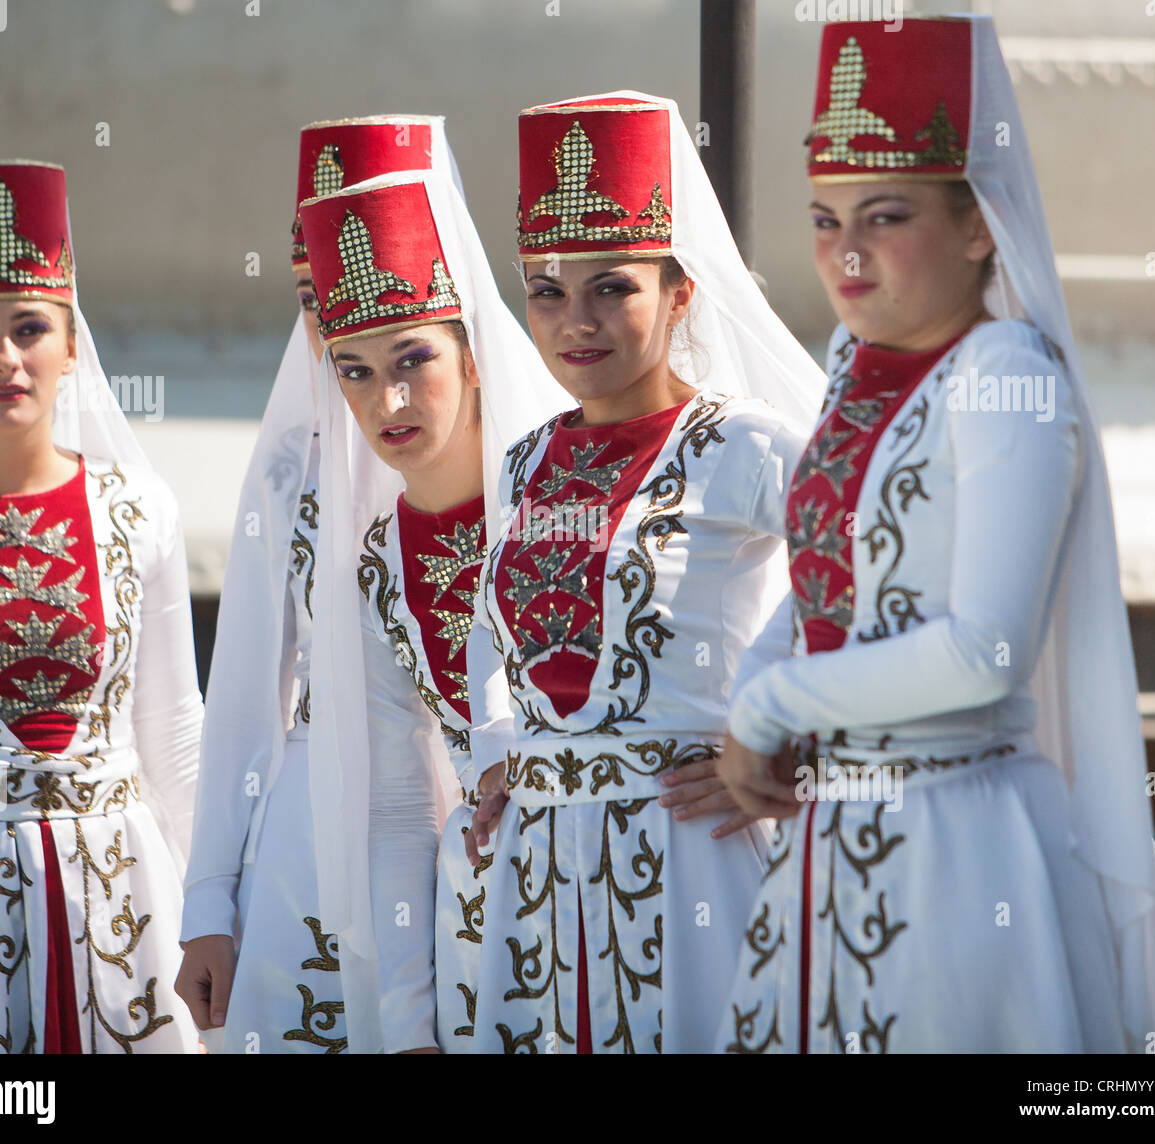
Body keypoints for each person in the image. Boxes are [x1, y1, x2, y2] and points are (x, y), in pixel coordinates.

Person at [718, 15, 1155, 1053]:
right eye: (824, 217)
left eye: (884, 216)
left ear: (979, 224)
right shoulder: (847, 359)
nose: (845, 250)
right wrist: (755, 682)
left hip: (949, 836)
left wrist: (771, 703)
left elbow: (988, 649)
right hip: (824, 838)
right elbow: (831, 577)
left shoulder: (1005, 375)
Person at [463, 93, 825, 1053]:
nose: (574, 320)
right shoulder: (523, 460)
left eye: (611, 287)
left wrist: (790, 750)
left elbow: (873, 574)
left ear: (679, 293)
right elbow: (489, 630)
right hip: (539, 878)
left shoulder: (744, 444)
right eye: (546, 289)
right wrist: (496, 746)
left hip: (694, 856)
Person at [0, 160, 201, 1053]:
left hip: (122, 895)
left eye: (31, 328)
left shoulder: (140, 509)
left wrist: (221, 905)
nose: (4, 358)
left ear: (72, 345)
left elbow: (175, 731)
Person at [175, 117, 455, 1054]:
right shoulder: (289, 467)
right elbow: (245, 692)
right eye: (312, 298)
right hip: (305, 842)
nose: (338, 324)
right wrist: (209, 895)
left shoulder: (523, 459)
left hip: (476, 832)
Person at [298, 169, 564, 1053]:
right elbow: (398, 804)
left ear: (475, 353)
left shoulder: (569, 499)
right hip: (484, 923)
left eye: (415, 359)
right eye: (358, 372)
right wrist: (411, 1025)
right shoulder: (374, 561)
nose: (390, 401)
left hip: (646, 877)